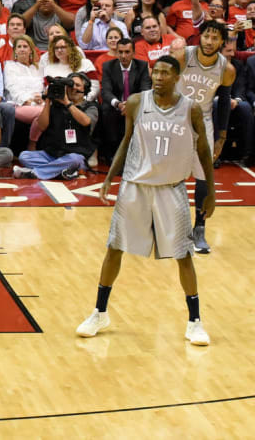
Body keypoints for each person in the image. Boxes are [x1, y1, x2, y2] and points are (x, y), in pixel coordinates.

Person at [76, 55, 214, 347]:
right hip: (134, 186)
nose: (159, 77)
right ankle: (99, 312)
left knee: (183, 254)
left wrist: (210, 191)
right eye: (156, 72)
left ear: (177, 78)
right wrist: (110, 176)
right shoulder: (138, 102)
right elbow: (127, 140)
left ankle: (195, 321)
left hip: (170, 188)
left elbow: (203, 151)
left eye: (166, 73)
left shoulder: (190, 109)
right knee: (114, 248)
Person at [172, 21, 235, 254]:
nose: (209, 42)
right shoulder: (182, 57)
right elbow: (161, 83)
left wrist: (222, 136)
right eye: (206, 36)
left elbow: (225, 101)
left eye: (215, 38)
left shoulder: (226, 69)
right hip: (174, 119)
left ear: (222, 42)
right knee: (167, 175)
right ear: (200, 37)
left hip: (203, 122)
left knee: (202, 177)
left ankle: (199, 229)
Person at [16, 72, 98, 179]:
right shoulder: (56, 105)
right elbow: (41, 126)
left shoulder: (90, 107)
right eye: (70, 85)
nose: (73, 88)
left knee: (75, 160)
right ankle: (62, 172)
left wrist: (67, 103)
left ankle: (35, 173)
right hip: (52, 155)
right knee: (24, 156)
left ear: (85, 89)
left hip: (74, 155)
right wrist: (48, 101)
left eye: (77, 85)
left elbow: (86, 121)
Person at [99, 38, 152, 165]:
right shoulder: (108, 66)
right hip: (116, 105)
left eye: (127, 52)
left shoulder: (142, 65)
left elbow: (145, 90)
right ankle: (112, 153)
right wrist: (118, 104)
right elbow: (105, 91)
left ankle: (140, 153)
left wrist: (130, 105)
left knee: (147, 106)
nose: (123, 56)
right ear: (116, 52)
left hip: (135, 105)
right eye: (120, 52)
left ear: (133, 53)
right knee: (106, 108)